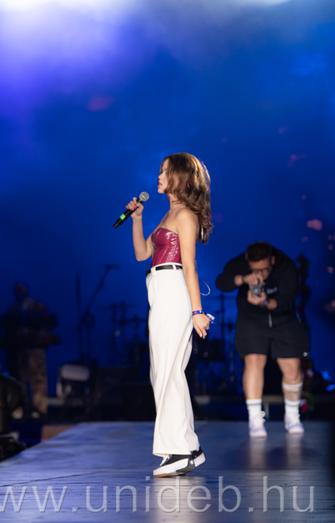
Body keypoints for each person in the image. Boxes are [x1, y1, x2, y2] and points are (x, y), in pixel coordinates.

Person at [125, 152, 212, 478]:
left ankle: (179, 450)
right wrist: (137, 219)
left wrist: (197, 311)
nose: (158, 177)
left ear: (179, 177)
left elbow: (189, 265)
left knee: (168, 371)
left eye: (164, 172)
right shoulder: (170, 213)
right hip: (159, 288)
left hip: (173, 288)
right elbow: (142, 254)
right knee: (163, 371)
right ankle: (189, 447)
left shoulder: (185, 215)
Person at [215, 242, 309, 437]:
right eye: (255, 269)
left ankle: (292, 415)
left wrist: (265, 301)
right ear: (248, 262)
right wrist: (243, 279)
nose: (260, 274)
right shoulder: (240, 263)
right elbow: (221, 282)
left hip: (283, 319)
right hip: (251, 319)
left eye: (264, 269)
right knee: (254, 361)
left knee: (292, 366)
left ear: (272, 260)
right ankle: (255, 419)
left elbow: (286, 301)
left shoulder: (286, 267)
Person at [5, 283, 52, 418]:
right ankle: (20, 408)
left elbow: (47, 325)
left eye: (21, 289)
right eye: (17, 290)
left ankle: (39, 409)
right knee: (18, 379)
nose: (19, 292)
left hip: (35, 349)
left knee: (38, 378)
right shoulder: (13, 310)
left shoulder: (38, 307)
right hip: (19, 350)